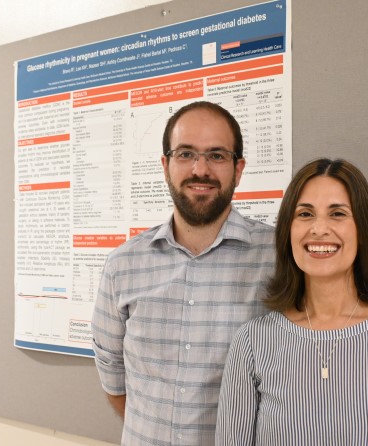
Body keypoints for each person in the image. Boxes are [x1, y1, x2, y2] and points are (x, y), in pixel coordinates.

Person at [215, 158, 368, 445]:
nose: (319, 229)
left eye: (337, 214)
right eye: (305, 214)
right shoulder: (252, 343)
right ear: (288, 231)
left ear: (363, 229)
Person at [91, 101, 275, 445]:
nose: (200, 169)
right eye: (186, 154)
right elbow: (114, 379)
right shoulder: (122, 266)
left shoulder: (279, 259)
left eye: (217, 156)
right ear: (166, 165)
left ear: (238, 169)